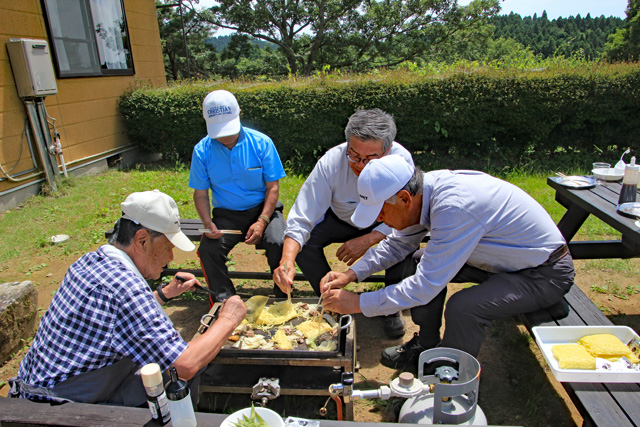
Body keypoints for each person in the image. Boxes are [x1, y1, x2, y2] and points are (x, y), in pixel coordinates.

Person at [320, 155, 575, 370]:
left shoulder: (455, 207)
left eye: (381, 211)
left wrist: (358, 303)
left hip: (544, 274)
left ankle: (449, 375)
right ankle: (427, 344)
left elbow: (425, 286)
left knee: (463, 307)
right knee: (419, 261)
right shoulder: (424, 191)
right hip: (504, 263)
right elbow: (399, 243)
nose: (379, 220)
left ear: (405, 198)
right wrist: (351, 274)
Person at [10, 190, 246, 406]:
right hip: (57, 403)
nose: (171, 257)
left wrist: (164, 294)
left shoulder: (92, 261)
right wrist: (228, 318)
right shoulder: (124, 287)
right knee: (180, 378)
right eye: (168, 246)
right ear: (142, 240)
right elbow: (184, 365)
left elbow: (113, 317)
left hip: (39, 386)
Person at [273, 109, 416, 339]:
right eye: (354, 155)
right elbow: (303, 214)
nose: (360, 164)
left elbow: (407, 214)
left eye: (370, 158)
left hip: (385, 222)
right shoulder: (332, 161)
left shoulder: (401, 161)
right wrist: (286, 260)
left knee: (405, 244)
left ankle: (390, 309)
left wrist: (370, 238)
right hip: (342, 217)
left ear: (388, 151)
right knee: (305, 245)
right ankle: (332, 301)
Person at [190, 90, 287, 304]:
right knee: (208, 250)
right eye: (219, 131)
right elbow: (200, 193)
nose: (225, 137)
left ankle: (283, 298)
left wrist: (262, 221)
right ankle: (226, 302)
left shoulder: (261, 143)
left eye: (229, 129)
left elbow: (273, 188)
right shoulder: (202, 150)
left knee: (278, 241)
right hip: (227, 215)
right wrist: (208, 223)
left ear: (239, 114)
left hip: (264, 210)